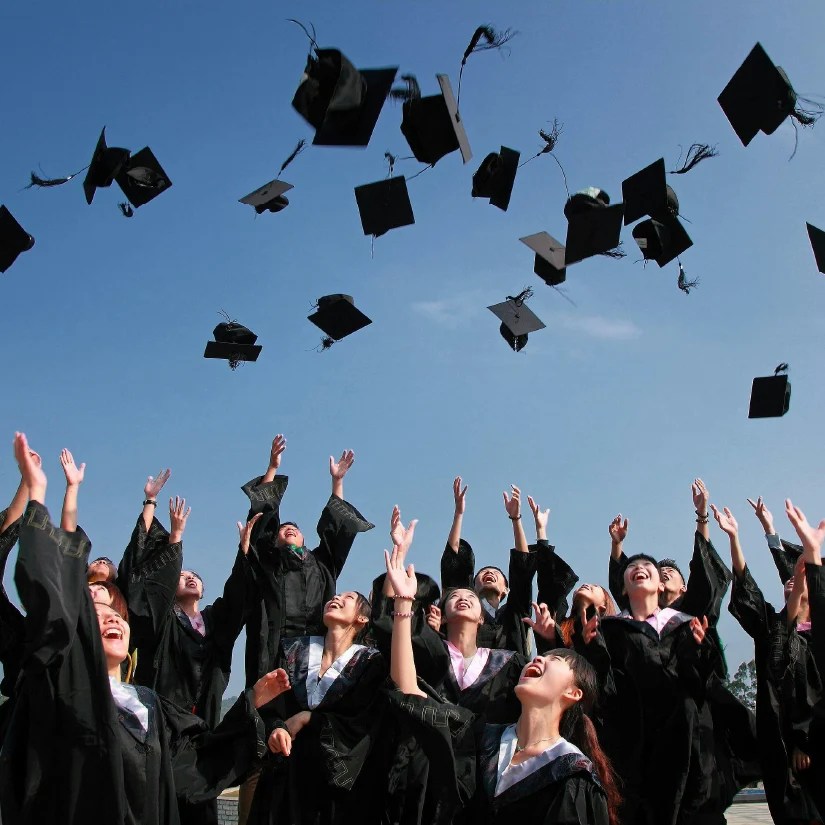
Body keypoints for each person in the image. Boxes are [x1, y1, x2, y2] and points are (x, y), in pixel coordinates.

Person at [0, 432, 291, 825]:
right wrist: (38, 494)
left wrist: (250, 704)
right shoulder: (57, 684)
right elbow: (53, 602)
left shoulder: (148, 709)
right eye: (93, 610)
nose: (111, 618)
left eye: (116, 613)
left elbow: (196, 764)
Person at [385, 538, 618, 825]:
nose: (538, 659)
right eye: (541, 657)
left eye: (555, 660)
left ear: (573, 693)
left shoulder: (574, 775)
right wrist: (403, 604)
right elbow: (410, 692)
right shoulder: (480, 737)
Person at [237, 435, 374, 823]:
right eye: (283, 530)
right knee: (264, 741)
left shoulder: (322, 565)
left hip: (316, 661)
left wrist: (337, 484)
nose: (288, 531)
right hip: (272, 651)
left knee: (310, 741)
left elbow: (335, 531)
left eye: (294, 529)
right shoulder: (267, 563)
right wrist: (273, 469)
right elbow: (262, 523)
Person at [578, 551, 720, 825]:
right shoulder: (609, 629)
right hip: (631, 747)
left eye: (647, 566)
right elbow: (604, 693)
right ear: (622, 586)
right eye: (632, 566)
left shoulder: (683, 625)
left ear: (660, 585)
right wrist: (593, 651)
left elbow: (700, 687)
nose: (639, 568)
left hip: (683, 743)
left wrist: (697, 651)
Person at [717, 501, 824, 824]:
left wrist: (779, 535)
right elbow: (746, 585)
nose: (790, 580)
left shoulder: (818, 634)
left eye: (798, 575)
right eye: (788, 578)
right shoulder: (772, 628)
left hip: (815, 743)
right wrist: (735, 537)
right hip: (780, 744)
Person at [247, 591, 387, 825]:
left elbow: (363, 722)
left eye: (348, 597)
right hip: (286, 774)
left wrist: (310, 719)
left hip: (336, 781)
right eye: (335, 595)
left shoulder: (370, 663)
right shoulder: (293, 651)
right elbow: (271, 706)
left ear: (362, 619)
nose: (337, 598)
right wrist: (276, 728)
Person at [440, 477, 537, 655]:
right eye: (483, 572)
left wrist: (516, 519)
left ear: (506, 590)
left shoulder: (515, 612)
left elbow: (523, 565)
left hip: (510, 679)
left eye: (495, 573)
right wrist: (458, 514)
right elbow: (452, 565)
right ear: (473, 588)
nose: (489, 573)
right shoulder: (465, 609)